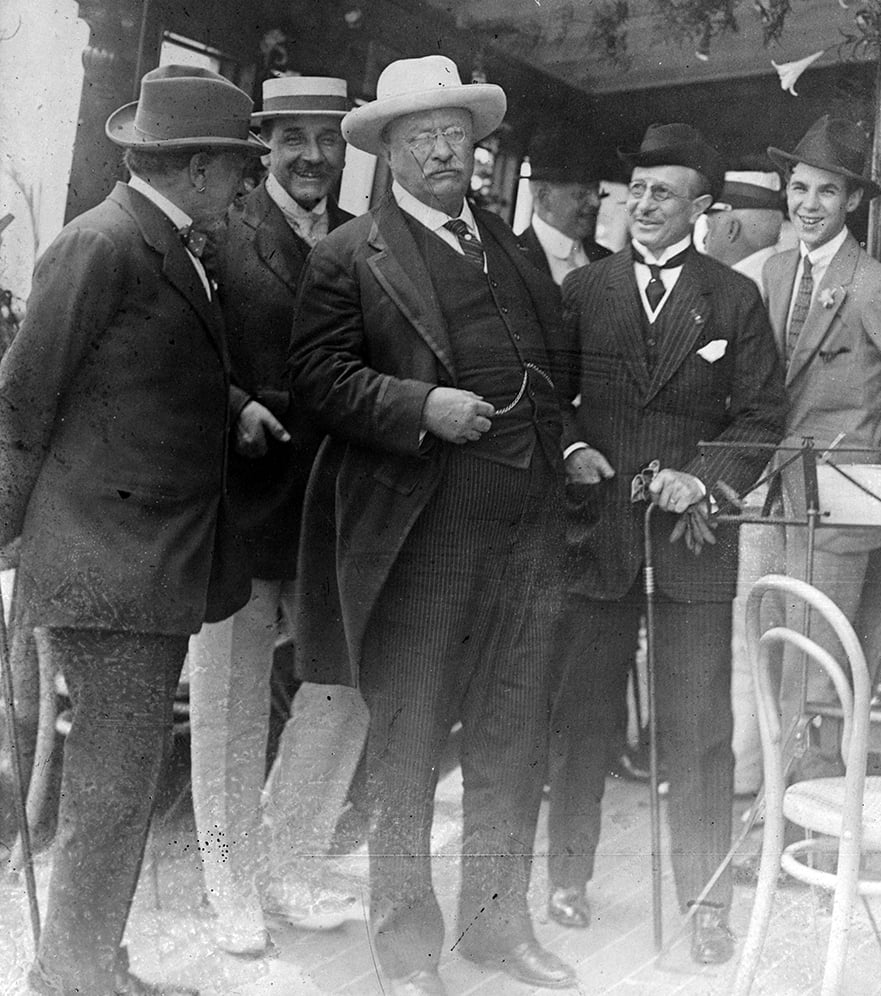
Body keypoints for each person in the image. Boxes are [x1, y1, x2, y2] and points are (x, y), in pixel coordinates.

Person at [288, 55, 576, 995]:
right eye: (422, 138)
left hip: (527, 533)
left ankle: (498, 932)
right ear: (389, 152)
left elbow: (552, 371)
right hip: (421, 536)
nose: (445, 150)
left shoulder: (511, 243)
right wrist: (422, 406)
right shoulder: (347, 256)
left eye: (455, 133)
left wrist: (567, 446)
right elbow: (319, 381)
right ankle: (407, 950)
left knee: (511, 737)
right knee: (408, 750)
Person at [0, 64, 262, 996]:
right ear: (195, 167)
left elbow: (137, 369)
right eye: (239, 168)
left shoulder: (167, 240)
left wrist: (230, 404)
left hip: (143, 564)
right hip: (105, 570)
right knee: (112, 792)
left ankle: (83, 965)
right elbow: (24, 403)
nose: (243, 187)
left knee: (121, 782)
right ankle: (73, 978)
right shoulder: (102, 245)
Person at [544, 122, 786, 965]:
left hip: (691, 542)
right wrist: (574, 450)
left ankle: (707, 898)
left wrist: (703, 477)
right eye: (636, 191)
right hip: (597, 534)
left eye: (663, 194)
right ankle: (567, 876)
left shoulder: (732, 299)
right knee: (583, 715)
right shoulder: (584, 290)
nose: (643, 206)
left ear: (702, 207)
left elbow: (761, 416)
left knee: (700, 725)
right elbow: (553, 401)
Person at [187, 74, 366, 957]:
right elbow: (177, 348)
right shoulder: (222, 234)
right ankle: (228, 884)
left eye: (328, 139)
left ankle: (290, 863)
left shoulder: (367, 240)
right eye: (294, 138)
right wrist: (232, 406)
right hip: (244, 496)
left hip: (334, 501)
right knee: (226, 708)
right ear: (265, 146)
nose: (312, 157)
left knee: (345, 687)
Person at [742, 115, 881, 786]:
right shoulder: (778, 273)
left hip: (843, 512)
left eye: (826, 194)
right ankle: (786, 823)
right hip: (776, 503)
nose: (808, 206)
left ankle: (820, 833)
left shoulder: (872, 286)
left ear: (854, 203)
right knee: (779, 670)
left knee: (823, 685)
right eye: (799, 189)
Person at [518, 128, 610, 286]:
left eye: (598, 191)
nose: (596, 202)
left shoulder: (609, 263)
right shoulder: (510, 260)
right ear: (544, 195)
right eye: (582, 193)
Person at [699, 169, 784, 293]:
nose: (704, 239)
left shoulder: (736, 292)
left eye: (710, 228)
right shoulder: (783, 281)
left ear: (732, 230)